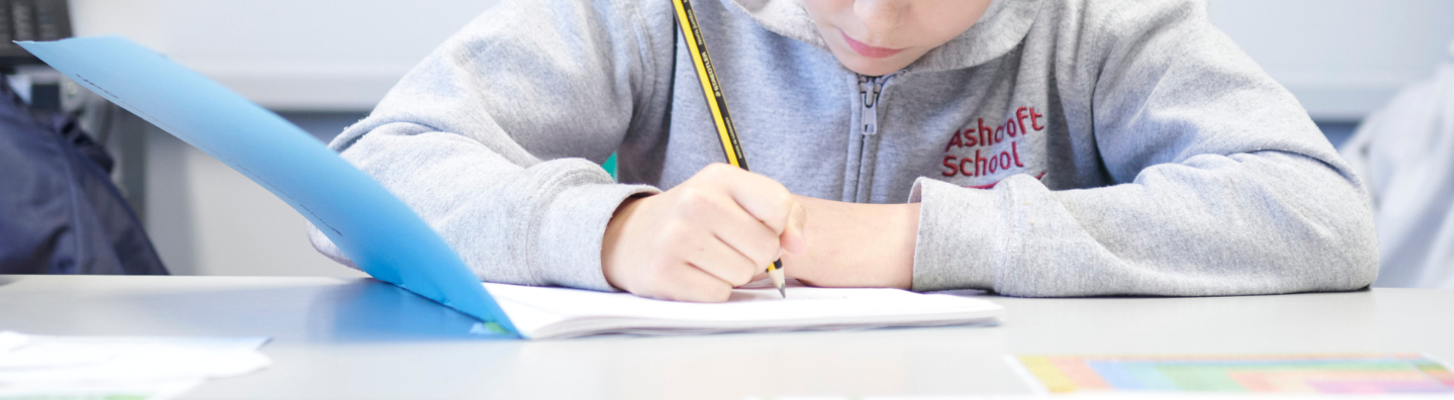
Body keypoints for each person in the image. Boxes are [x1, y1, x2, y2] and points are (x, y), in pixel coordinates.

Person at [310, 0, 1380, 302]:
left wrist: (912, 240)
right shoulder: (652, 13)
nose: (875, 14)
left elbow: (1318, 212)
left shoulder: (1095, 23)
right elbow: (366, 175)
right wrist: (612, 230)